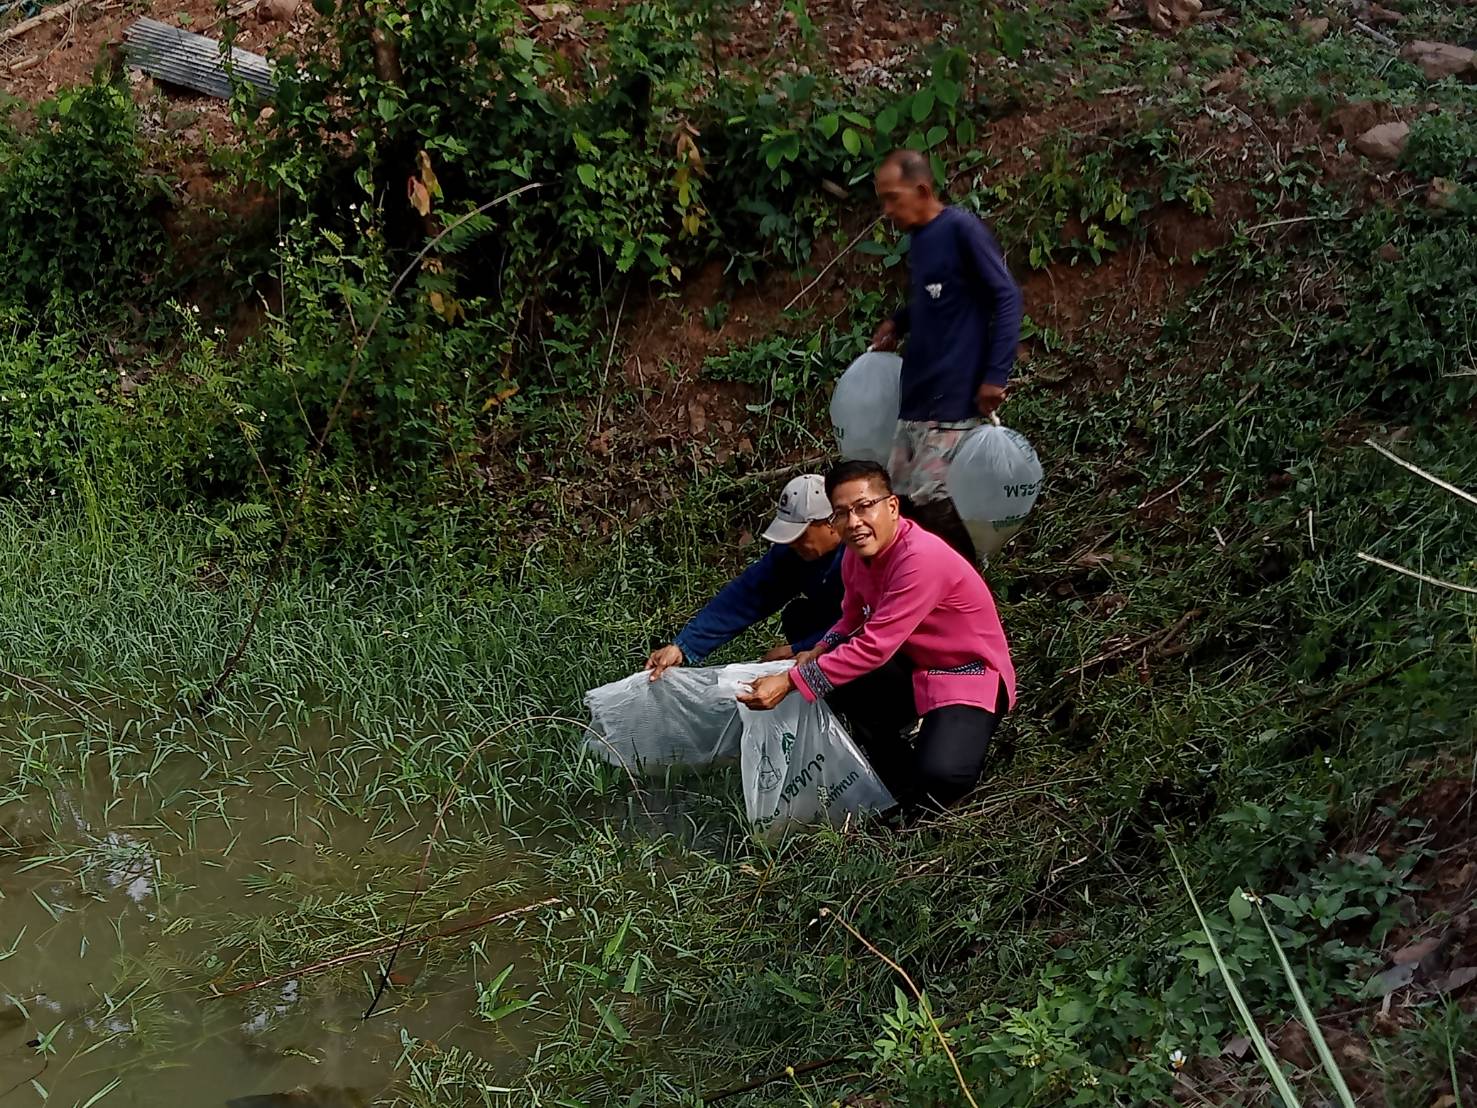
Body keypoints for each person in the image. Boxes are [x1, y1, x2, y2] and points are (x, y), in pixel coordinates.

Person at [737, 460, 1016, 815]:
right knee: (836, 676)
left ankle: (930, 765)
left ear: (891, 506)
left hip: (968, 673)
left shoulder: (919, 559)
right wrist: (819, 648)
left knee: (941, 776)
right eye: (842, 513)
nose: (854, 522)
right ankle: (890, 766)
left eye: (864, 506)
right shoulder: (857, 557)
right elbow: (851, 617)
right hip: (915, 663)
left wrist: (789, 681)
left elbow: (873, 647)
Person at [869, 148, 1025, 564]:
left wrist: (996, 374)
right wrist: (898, 322)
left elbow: (1006, 296)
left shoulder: (961, 229)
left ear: (921, 189)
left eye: (892, 197)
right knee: (900, 499)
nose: (887, 210)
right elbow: (933, 300)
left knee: (931, 494)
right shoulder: (920, 241)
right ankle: (923, 590)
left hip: (954, 394)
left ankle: (968, 579)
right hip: (918, 394)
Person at [646, 475, 843, 680]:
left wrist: (802, 648)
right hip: (833, 627)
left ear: (832, 521)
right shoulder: (794, 554)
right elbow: (748, 596)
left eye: (801, 535)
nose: (794, 544)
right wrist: (683, 647)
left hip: (867, 644)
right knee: (798, 616)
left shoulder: (863, 550)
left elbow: (869, 620)